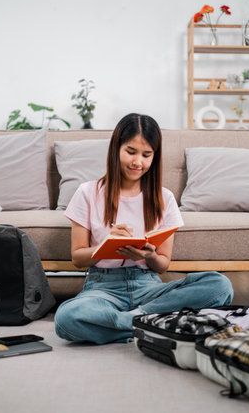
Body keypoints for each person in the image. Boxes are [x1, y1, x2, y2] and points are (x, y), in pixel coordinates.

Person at [55, 113, 233, 344]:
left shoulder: (164, 198)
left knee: (219, 285)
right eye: (131, 152)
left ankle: (130, 321)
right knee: (66, 318)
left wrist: (150, 255)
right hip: (102, 287)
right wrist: (105, 245)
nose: (138, 162)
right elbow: (77, 258)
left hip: (148, 287)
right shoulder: (87, 192)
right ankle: (150, 323)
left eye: (146, 155)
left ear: (154, 157)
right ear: (116, 148)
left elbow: (163, 265)